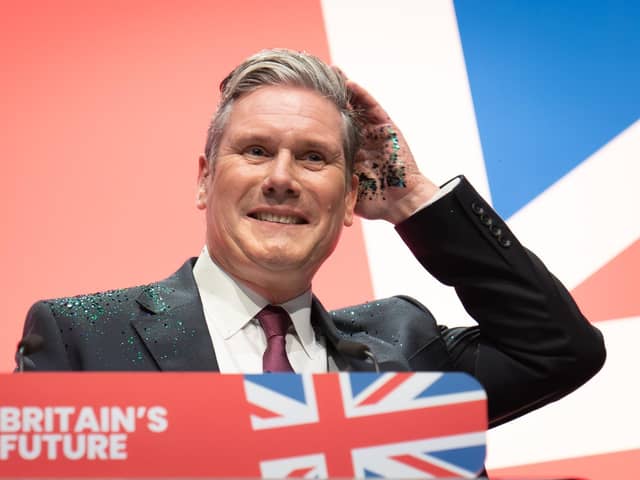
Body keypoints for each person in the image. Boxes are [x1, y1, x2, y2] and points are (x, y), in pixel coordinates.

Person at [18, 49, 605, 428]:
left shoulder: (400, 346)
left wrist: (410, 199)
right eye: (255, 151)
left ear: (349, 197)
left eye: (313, 158)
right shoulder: (82, 339)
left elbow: (558, 350)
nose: (280, 178)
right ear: (204, 180)